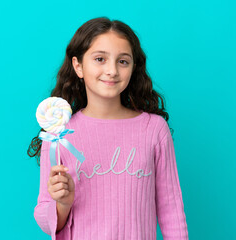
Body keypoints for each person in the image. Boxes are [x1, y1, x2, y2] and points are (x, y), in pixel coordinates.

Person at [28, 17, 189, 239]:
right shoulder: (58, 136)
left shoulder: (154, 129)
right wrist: (62, 205)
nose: (112, 70)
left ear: (133, 67)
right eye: (100, 59)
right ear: (78, 66)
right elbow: (46, 219)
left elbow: (171, 209)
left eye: (123, 61)